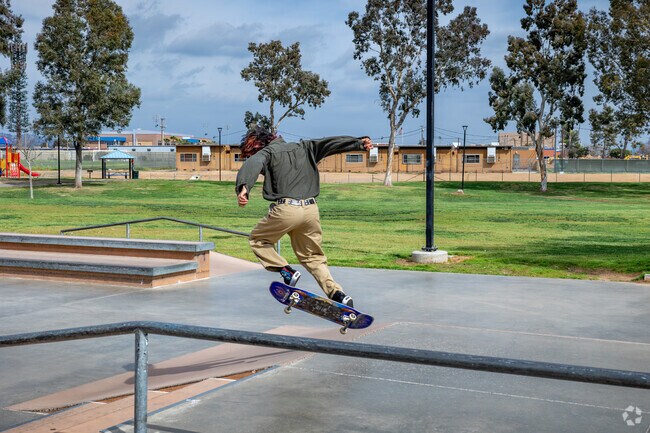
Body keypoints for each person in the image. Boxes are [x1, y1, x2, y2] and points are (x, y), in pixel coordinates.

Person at [235, 126, 373, 308]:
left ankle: (286, 271)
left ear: (258, 145)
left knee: (258, 240)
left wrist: (244, 187)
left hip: (286, 210)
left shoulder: (267, 152)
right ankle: (337, 293)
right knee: (313, 257)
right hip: (310, 211)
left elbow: (253, 163)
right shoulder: (305, 147)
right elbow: (329, 143)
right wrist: (358, 143)